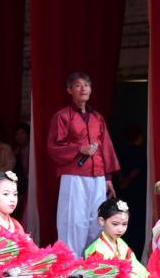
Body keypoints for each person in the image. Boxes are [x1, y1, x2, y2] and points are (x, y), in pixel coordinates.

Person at [47, 72, 120, 257]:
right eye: (78, 85)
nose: (83, 89)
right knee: (73, 220)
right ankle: (71, 263)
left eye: (86, 85)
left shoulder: (97, 118)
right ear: (69, 90)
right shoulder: (63, 116)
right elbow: (54, 146)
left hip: (98, 175)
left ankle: (93, 260)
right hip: (74, 175)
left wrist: (108, 177)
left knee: (97, 220)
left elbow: (106, 147)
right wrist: (80, 148)